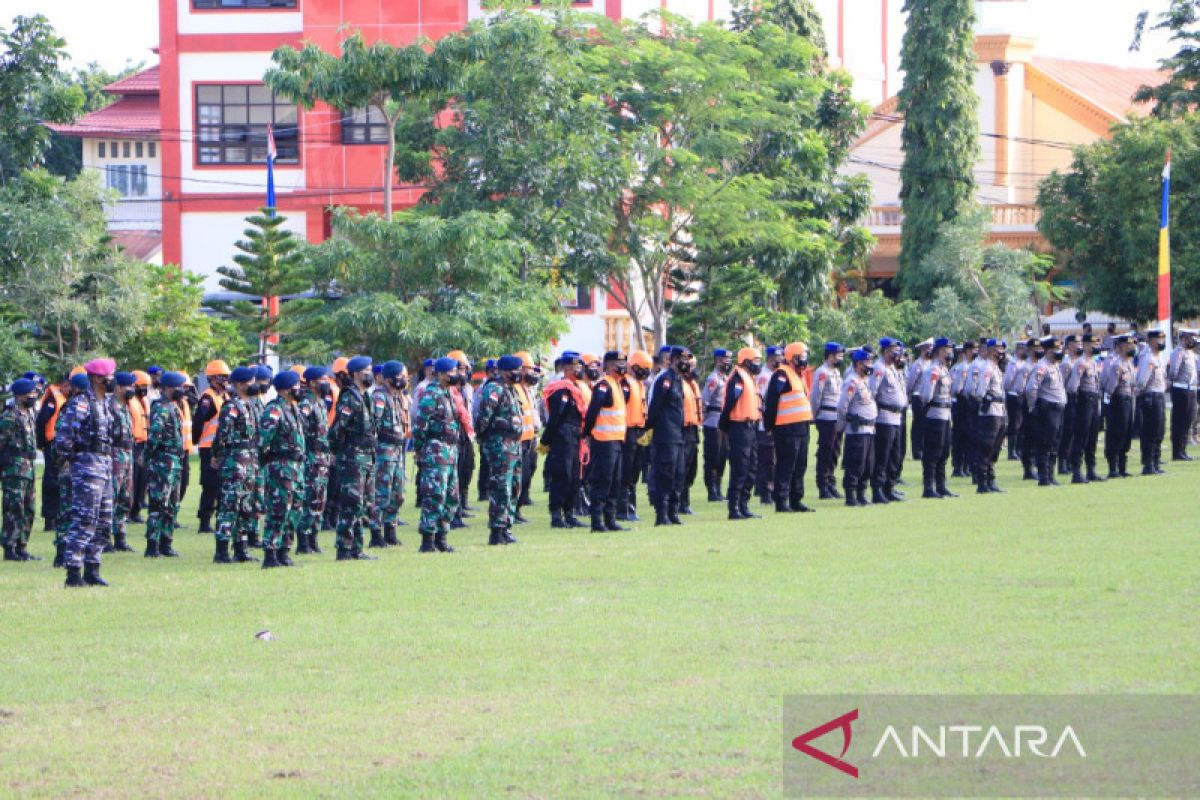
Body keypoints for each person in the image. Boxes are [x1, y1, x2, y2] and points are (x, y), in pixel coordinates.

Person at [58, 359, 118, 587]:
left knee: (104, 520)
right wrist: (74, 461)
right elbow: (64, 439)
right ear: (97, 378)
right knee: (85, 519)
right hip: (87, 465)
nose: (112, 380)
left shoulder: (105, 403)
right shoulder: (81, 403)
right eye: (109, 376)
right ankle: (73, 572)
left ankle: (93, 569)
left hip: (104, 464)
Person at [329, 355, 378, 561]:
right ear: (356, 373)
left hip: (366, 457)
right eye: (366, 370)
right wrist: (339, 452)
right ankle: (344, 548)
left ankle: (357, 547)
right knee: (351, 503)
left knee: (363, 504)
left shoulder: (365, 396)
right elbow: (337, 430)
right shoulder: (349, 397)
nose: (370, 373)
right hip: (352, 458)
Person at [258, 370, 307, 568]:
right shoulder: (274, 410)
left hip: (297, 467)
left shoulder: (293, 408)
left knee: (295, 510)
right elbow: (262, 441)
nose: (300, 389)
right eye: (296, 385)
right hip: (281, 467)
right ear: (286, 389)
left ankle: (284, 551)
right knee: (278, 510)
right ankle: (270, 554)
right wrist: (268, 463)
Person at [413, 357, 462, 553]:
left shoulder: (447, 393)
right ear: (441, 374)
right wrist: (419, 449)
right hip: (435, 450)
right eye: (451, 372)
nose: (455, 375)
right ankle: (427, 540)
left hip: (450, 451)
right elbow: (420, 425)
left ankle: (442, 537)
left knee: (451, 496)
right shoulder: (431, 394)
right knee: (435, 495)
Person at [211, 367, 260, 564]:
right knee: (229, 506)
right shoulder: (232, 406)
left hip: (249, 461)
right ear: (239, 384)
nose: (253, 385)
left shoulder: (250, 406)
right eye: (250, 382)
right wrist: (217, 455)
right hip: (235, 461)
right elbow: (222, 434)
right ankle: (222, 551)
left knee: (246, 507)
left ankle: (242, 549)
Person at [476, 355, 525, 544]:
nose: (519, 374)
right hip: (499, 445)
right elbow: (483, 418)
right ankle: (496, 531)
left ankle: (507, 527)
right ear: (505, 371)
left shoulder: (511, 389)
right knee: (501, 488)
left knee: (514, 487)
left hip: (513, 444)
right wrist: (484, 439)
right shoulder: (494, 389)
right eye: (516, 370)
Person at [764, 342, 815, 513]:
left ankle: (796, 500)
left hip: (801, 427)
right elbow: (771, 401)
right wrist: (769, 425)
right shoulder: (782, 375)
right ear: (793, 357)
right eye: (802, 356)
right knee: (786, 466)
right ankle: (781, 501)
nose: (805, 359)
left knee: (800, 465)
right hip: (786, 428)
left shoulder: (798, 375)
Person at [582, 351, 629, 532]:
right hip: (604, 442)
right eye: (619, 362)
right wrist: (587, 433)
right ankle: (597, 522)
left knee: (615, 481)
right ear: (609, 365)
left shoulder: (617, 384)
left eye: (624, 362)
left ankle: (610, 519)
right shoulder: (604, 386)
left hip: (617, 441)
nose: (623, 366)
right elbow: (592, 412)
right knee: (602, 481)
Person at [144, 371, 187, 558]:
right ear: (169, 388)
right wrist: (150, 457)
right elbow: (154, 436)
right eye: (180, 387)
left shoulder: (173, 406)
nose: (183, 391)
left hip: (174, 461)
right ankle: (152, 545)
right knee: (158, 504)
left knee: (172, 504)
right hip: (163, 461)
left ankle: (166, 543)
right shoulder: (161, 407)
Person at [541, 352, 586, 529]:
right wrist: (546, 441)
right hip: (562, 438)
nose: (580, 370)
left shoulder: (575, 388)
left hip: (575, 438)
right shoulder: (560, 389)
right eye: (577, 367)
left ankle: (570, 513)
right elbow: (555, 418)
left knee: (575, 476)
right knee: (562, 475)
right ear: (567, 369)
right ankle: (556, 515)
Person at [369, 360, 410, 549]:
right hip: (384, 451)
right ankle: (376, 534)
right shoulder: (379, 396)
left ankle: (390, 530)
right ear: (387, 378)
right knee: (381, 494)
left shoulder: (397, 396)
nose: (403, 379)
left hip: (398, 450)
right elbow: (373, 425)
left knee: (398, 494)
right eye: (399, 375)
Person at [719, 347, 763, 520]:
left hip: (751, 427)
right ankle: (734, 508)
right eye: (755, 361)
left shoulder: (751, 378)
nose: (758, 364)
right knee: (740, 467)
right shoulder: (738, 378)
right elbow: (730, 401)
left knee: (752, 467)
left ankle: (744, 505)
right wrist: (724, 425)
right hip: (739, 427)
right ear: (746, 361)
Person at [646, 346, 688, 526]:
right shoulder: (665, 380)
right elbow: (655, 407)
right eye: (681, 359)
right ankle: (662, 514)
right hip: (665, 435)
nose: (685, 363)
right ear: (673, 359)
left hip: (678, 434)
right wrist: (650, 429)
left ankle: (673, 512)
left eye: (687, 360)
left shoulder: (679, 380)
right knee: (666, 473)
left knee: (679, 474)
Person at [1, 378, 40, 562]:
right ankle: (9, 547)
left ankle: (22, 547)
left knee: (29, 509)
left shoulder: (30, 413)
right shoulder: (10, 416)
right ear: (19, 395)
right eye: (30, 393)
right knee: (13, 508)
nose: (33, 396)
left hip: (29, 468)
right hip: (14, 469)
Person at [297, 367, 332, 555]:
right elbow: (299, 429)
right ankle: (303, 540)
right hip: (311, 457)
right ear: (311, 383)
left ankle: (313, 538)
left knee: (320, 499)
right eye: (322, 379)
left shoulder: (321, 402)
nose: (325, 382)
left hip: (322, 458)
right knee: (309, 498)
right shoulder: (307, 403)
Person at [192, 360, 230, 533]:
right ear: (214, 378)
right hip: (209, 447)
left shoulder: (225, 396)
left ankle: (219, 520)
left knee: (222, 485)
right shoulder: (208, 397)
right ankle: (204, 522)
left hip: (222, 448)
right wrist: (196, 440)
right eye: (223, 377)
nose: (226, 380)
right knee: (211, 485)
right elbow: (199, 422)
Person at [868, 338, 908, 503]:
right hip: (884, 417)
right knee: (882, 456)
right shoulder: (879, 368)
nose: (897, 353)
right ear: (885, 351)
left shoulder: (893, 369)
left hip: (897, 418)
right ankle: (878, 490)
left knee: (895, 455)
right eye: (893, 350)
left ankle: (889, 487)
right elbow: (872, 392)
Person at [1025, 336, 1067, 487]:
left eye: (1060, 349)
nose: (1059, 352)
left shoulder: (1055, 365)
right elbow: (1031, 388)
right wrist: (1033, 406)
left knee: (1055, 443)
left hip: (1059, 408)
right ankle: (1044, 477)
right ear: (1048, 351)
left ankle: (1051, 475)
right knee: (1045, 443)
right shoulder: (1041, 366)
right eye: (1056, 349)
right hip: (1048, 408)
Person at [838, 348, 878, 506]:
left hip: (869, 429)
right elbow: (842, 406)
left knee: (868, 464)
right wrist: (846, 421)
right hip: (857, 430)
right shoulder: (852, 381)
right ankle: (851, 496)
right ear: (859, 364)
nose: (870, 365)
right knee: (856, 463)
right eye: (867, 362)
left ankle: (861, 493)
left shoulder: (864, 381)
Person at [918, 338, 955, 499]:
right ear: (940, 351)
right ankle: (929, 487)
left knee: (944, 451)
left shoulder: (944, 369)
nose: (950, 353)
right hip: (935, 415)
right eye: (947, 350)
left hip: (946, 415)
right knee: (933, 452)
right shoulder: (933, 370)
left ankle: (941, 486)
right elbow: (926, 395)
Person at [970, 339, 1008, 493]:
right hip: (990, 413)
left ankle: (991, 480)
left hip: (1000, 411)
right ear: (992, 350)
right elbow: (979, 392)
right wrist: (989, 398)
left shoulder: (996, 368)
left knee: (995, 448)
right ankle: (982, 483)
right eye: (999, 348)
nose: (1001, 352)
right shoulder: (987, 368)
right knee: (986, 447)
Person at [1067, 334, 1104, 484]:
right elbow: (1072, 386)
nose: (1096, 346)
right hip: (1084, 400)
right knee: (1081, 436)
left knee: (1093, 436)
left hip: (1094, 399)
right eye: (1094, 344)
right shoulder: (1080, 363)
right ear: (1086, 345)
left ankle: (1091, 470)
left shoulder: (1093, 362)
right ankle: (1076, 471)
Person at [618, 350, 650, 521]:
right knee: (626, 472)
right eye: (643, 368)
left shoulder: (640, 385)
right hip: (627, 431)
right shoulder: (626, 384)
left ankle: (631, 507)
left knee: (636, 471)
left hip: (640, 431)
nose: (646, 372)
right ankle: (622, 509)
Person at [34, 373, 69, 532]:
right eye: (67, 385)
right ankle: (50, 519)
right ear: (61, 384)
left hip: (65, 446)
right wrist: (42, 444)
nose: (70, 389)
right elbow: (41, 422)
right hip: (52, 445)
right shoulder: (52, 400)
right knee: (52, 482)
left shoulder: (71, 400)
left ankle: (61, 517)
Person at [107, 372, 137, 553]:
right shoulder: (110, 407)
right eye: (128, 386)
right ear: (118, 387)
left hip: (126, 455)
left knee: (126, 498)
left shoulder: (125, 407)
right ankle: (105, 539)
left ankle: (120, 537)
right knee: (111, 497)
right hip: (114, 454)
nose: (131, 390)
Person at [810, 343, 845, 500]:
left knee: (835, 452)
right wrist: (816, 415)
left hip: (837, 418)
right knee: (825, 452)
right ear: (830, 356)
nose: (841, 358)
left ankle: (831, 482)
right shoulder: (822, 372)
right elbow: (816, 397)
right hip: (826, 417)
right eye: (838, 355)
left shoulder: (836, 372)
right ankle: (823, 485)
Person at [1101, 334, 1137, 478]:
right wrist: (1107, 404)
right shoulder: (1117, 364)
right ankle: (1113, 468)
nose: (1132, 348)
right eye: (1129, 346)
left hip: (1128, 400)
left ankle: (1122, 467)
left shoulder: (1129, 363)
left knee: (1126, 433)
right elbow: (1111, 387)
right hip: (1118, 401)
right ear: (1121, 347)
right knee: (1116, 433)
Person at [1136, 329, 1169, 475]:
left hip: (1159, 396)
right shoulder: (1148, 359)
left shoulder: (1159, 358)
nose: (1161, 342)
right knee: (1150, 431)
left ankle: (1156, 462)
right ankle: (1148, 465)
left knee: (1159, 431)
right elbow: (1142, 381)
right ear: (1150, 342)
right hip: (1150, 397)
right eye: (1158, 340)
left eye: (1163, 339)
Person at [701, 349, 731, 502]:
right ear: (718, 361)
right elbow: (705, 400)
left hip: (724, 422)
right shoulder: (713, 378)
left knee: (722, 456)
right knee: (712, 457)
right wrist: (704, 419)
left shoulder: (725, 378)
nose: (727, 363)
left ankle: (718, 488)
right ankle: (712, 491)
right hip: (713, 422)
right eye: (724, 360)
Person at [514, 353, 541, 516]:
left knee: (528, 473)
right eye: (528, 369)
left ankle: (518, 509)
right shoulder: (516, 389)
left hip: (530, 439)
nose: (532, 373)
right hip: (519, 440)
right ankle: (514, 510)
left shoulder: (526, 390)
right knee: (519, 478)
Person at [755, 346, 782, 504]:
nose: (780, 361)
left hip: (777, 422)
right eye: (777, 358)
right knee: (768, 460)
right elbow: (765, 402)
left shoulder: (776, 374)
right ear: (771, 359)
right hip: (766, 424)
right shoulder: (765, 377)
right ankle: (766, 492)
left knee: (775, 459)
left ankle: (769, 489)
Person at [678, 351, 703, 515]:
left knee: (691, 469)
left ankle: (685, 501)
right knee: (682, 468)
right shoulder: (678, 383)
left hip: (693, 430)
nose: (693, 369)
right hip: (682, 430)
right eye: (691, 366)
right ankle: (681, 503)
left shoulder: (692, 384)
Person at [1168, 328, 1198, 461]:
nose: (1194, 341)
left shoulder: (1190, 353)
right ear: (1185, 338)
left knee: (1188, 419)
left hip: (1191, 389)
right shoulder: (1178, 352)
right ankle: (1177, 451)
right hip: (1181, 389)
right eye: (1191, 338)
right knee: (1180, 420)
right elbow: (1173, 372)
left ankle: (1183, 449)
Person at [128, 370, 151, 522]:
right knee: (132, 480)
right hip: (133, 444)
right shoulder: (129, 401)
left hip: (144, 443)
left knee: (142, 480)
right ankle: (128, 512)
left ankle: (136, 510)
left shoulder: (143, 401)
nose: (144, 389)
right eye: (141, 386)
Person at [907, 339, 933, 462]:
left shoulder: (932, 364)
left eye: (931, 348)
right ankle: (917, 451)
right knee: (918, 424)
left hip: (928, 397)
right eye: (927, 348)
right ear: (922, 350)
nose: (929, 351)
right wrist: (910, 395)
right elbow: (911, 382)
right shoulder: (918, 364)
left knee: (927, 425)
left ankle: (925, 449)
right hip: (918, 396)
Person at [1003, 340, 1027, 461]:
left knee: (1022, 424)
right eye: (1023, 349)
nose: (1025, 351)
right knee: (1015, 423)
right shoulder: (1013, 363)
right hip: (1014, 395)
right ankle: (1011, 451)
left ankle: (1019, 449)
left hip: (1023, 395)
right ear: (1018, 350)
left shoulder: (1025, 363)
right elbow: (1007, 381)